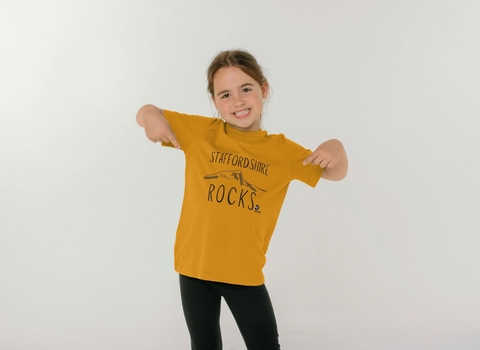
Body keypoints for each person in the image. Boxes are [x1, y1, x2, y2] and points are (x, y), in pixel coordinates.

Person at [136, 49, 348, 350]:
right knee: (204, 344)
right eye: (225, 94)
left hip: (244, 274)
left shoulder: (282, 152)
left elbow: (335, 174)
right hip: (194, 267)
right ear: (215, 102)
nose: (236, 101)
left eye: (245, 89)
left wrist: (336, 147)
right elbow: (146, 110)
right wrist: (150, 118)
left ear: (263, 89)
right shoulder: (200, 132)